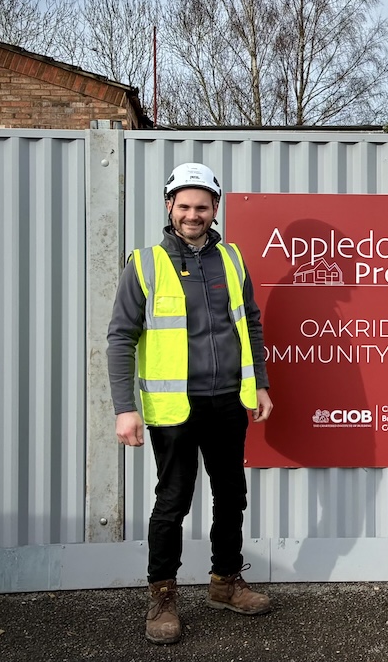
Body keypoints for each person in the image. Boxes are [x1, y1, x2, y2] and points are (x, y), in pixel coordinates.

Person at [107, 162, 274, 644]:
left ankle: (225, 582)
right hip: (174, 409)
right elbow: (121, 338)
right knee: (173, 501)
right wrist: (124, 407)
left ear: (215, 208)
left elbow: (251, 323)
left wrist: (260, 383)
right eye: (184, 206)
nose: (193, 215)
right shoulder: (145, 264)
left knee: (232, 495)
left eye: (202, 206)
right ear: (170, 207)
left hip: (228, 401)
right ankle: (162, 596)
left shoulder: (232, 260)